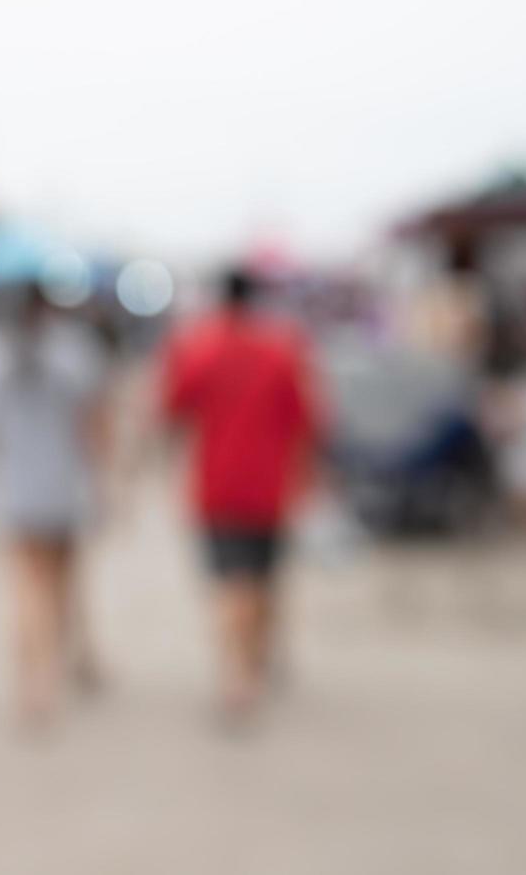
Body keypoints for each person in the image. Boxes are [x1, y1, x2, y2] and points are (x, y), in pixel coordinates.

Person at [162, 268, 324, 724]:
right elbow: (306, 419)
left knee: (231, 582)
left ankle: (237, 674)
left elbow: (173, 407)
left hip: (217, 484)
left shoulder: (200, 348)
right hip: (270, 484)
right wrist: (310, 476)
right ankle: (252, 662)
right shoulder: (282, 349)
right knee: (260, 578)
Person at [0, 284, 110, 728]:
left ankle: (39, 682)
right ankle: (56, 673)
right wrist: (106, 480)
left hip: (12, 487)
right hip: (62, 485)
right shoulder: (74, 351)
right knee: (59, 581)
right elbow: (94, 423)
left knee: (28, 588)